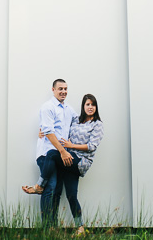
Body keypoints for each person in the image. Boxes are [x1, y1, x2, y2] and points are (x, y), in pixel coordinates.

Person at [24, 93, 104, 235]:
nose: (90, 107)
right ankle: (80, 228)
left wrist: (70, 145)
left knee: (51, 154)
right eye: (87, 104)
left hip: (81, 162)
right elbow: (62, 126)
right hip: (69, 160)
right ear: (83, 106)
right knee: (71, 195)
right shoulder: (77, 120)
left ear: (96, 107)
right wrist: (42, 131)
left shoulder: (97, 124)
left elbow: (92, 146)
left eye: (93, 104)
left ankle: (39, 185)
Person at [22, 79, 77, 226]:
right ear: (53, 90)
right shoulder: (48, 107)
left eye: (65, 89)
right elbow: (48, 131)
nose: (63, 91)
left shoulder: (69, 110)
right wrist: (62, 151)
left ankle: (53, 227)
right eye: (60, 89)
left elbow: (78, 123)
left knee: (57, 190)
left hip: (60, 156)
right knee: (50, 187)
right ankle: (47, 228)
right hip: (47, 155)